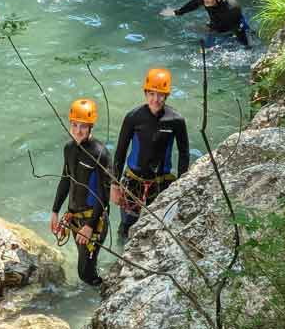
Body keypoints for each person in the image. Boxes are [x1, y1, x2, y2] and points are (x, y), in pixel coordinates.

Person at [111, 68, 190, 239]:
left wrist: (182, 185)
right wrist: (115, 185)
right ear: (145, 93)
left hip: (161, 183)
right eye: (151, 93)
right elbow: (120, 151)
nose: (155, 99)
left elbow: (184, 154)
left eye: (160, 94)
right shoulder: (133, 117)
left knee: (159, 228)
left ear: (166, 95)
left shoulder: (176, 120)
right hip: (133, 181)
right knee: (127, 225)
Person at [50, 98, 111, 286]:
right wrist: (54, 211)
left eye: (83, 126)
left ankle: (104, 291)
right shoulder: (69, 148)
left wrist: (90, 226)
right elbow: (65, 180)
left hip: (93, 221)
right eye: (75, 125)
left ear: (91, 127)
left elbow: (104, 195)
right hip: (75, 218)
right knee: (86, 265)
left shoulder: (100, 153)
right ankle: (101, 287)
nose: (78, 130)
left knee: (85, 274)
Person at [161, 0, 250, 48]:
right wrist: (177, 12)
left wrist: (246, 47)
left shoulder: (231, 10)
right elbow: (195, 4)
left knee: (208, 47)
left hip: (231, 28)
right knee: (189, 28)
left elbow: (238, 30)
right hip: (217, 25)